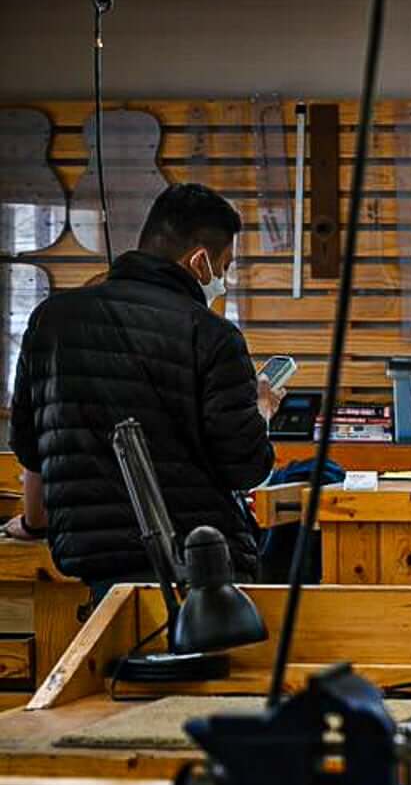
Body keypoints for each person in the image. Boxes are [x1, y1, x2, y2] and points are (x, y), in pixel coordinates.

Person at [6, 183, 280, 595]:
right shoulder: (212, 335)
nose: (223, 281)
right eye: (224, 267)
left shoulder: (50, 321)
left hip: (92, 563)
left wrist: (33, 524)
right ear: (199, 262)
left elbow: (33, 448)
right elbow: (245, 467)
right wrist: (261, 411)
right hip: (199, 569)